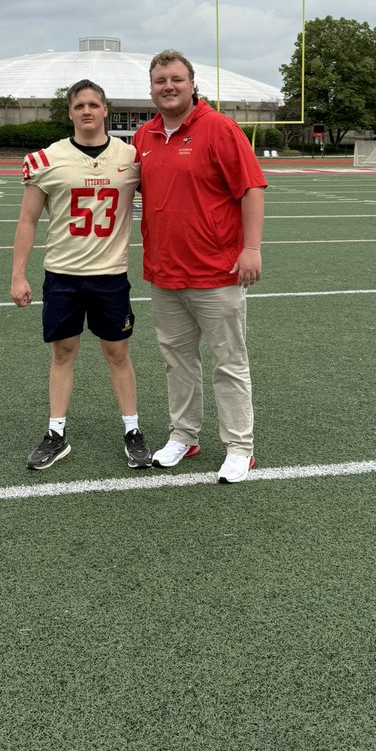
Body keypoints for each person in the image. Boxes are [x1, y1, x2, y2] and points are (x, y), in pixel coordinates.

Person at [133, 49, 267, 484]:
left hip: (216, 272)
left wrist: (251, 248)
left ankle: (239, 447)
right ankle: (184, 435)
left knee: (228, 361)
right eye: (159, 81)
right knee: (178, 361)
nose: (167, 86)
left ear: (192, 84)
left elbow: (250, 188)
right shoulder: (144, 137)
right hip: (165, 271)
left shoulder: (219, 128)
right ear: (151, 88)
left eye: (175, 79)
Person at [10, 79, 150, 472]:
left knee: (118, 353)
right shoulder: (46, 159)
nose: (87, 111)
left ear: (106, 110)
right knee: (62, 353)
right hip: (63, 274)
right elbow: (27, 220)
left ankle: (133, 430)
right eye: (79, 106)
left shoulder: (134, 156)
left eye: (94, 104)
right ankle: (56, 433)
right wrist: (18, 275)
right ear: (70, 113)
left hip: (110, 275)